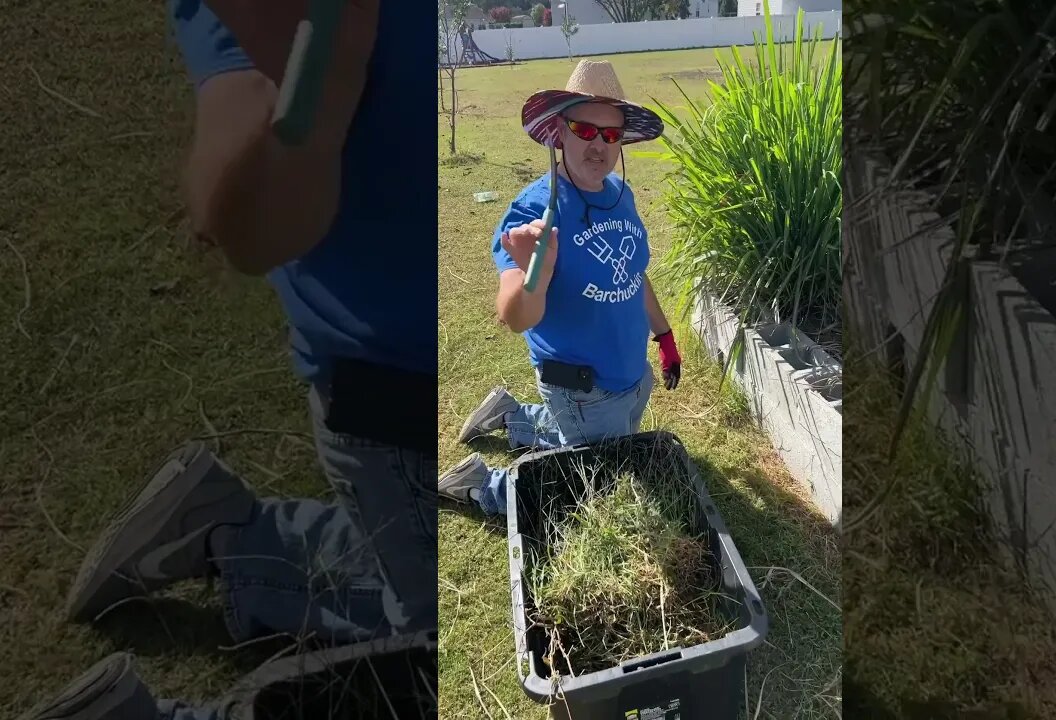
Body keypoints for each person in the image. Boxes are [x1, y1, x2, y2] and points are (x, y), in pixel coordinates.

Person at [26, 1, 436, 718]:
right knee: (433, 677)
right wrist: (320, 89)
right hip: (393, 400)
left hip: (444, 390)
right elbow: (255, 234)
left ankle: (231, 535)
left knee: (441, 568)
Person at [437, 60, 683, 515]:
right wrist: (539, 272)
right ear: (559, 132)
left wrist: (664, 337)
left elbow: (632, 274)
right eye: (584, 130)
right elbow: (515, 316)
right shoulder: (534, 212)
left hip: (631, 374)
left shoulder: (619, 195)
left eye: (610, 135)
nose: (598, 146)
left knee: (601, 442)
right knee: (588, 487)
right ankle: (483, 484)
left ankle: (510, 415)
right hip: (584, 386)